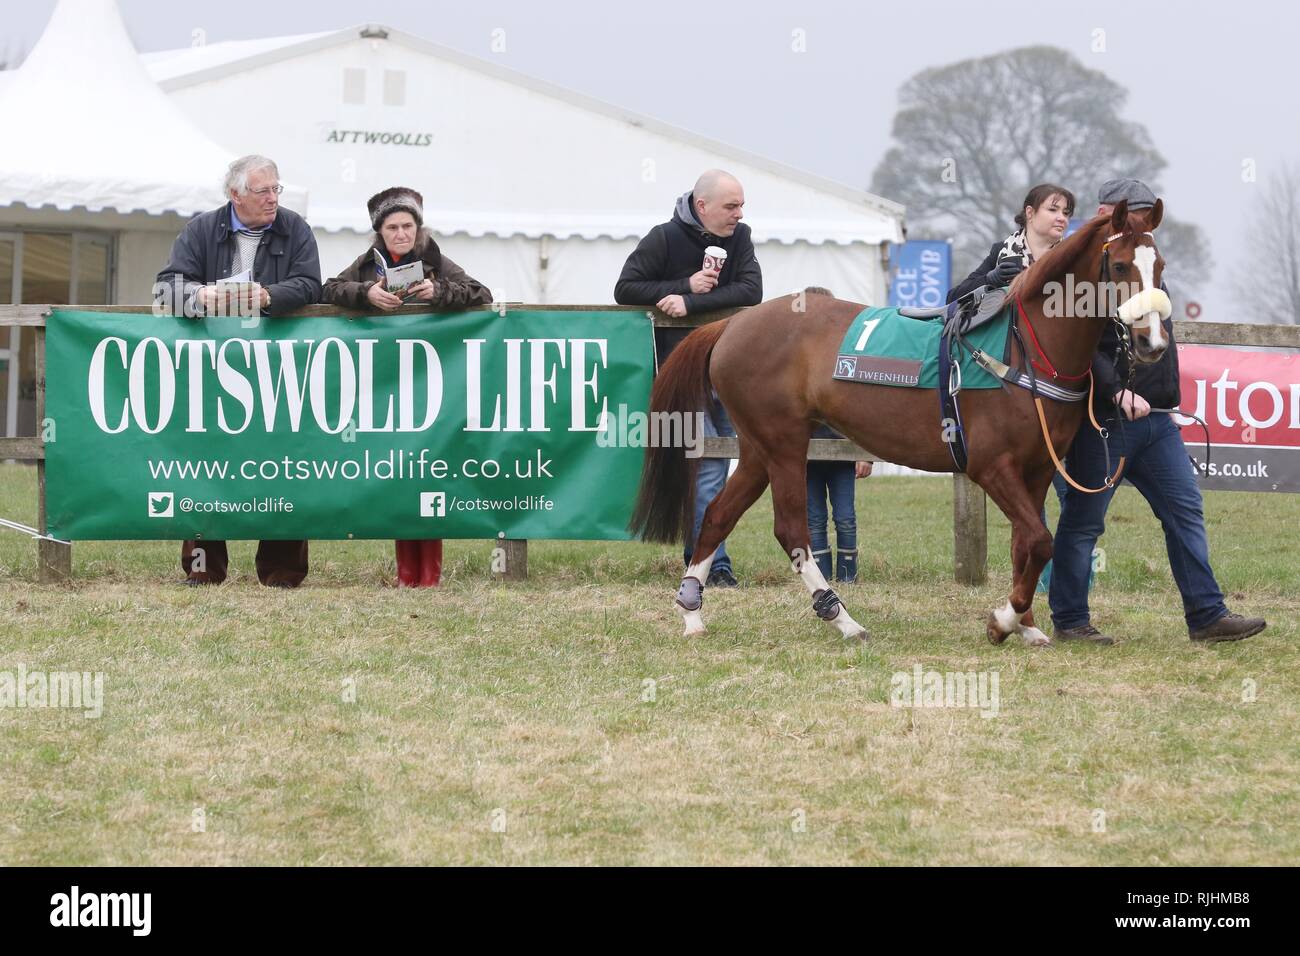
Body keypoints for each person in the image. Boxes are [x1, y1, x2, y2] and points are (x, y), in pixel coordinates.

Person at [1049, 179, 1266, 645]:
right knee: (1084, 521)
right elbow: (1075, 349)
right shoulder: (1085, 277)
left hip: (1158, 420)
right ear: (1110, 213)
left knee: (1184, 510)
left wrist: (1165, 399)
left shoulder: (1146, 265)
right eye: (1131, 216)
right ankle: (1069, 619)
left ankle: (1207, 616)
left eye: (1145, 218)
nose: (1138, 225)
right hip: (1104, 422)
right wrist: (1114, 393)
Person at [155, 155, 322, 588]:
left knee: (284, 461)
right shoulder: (201, 229)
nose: (273, 199)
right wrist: (198, 296)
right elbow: (166, 285)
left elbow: (309, 284)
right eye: (263, 191)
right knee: (205, 463)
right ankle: (203, 570)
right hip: (212, 367)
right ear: (235, 195)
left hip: (278, 367)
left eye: (276, 189)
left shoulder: (295, 228)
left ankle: (283, 571)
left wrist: (266, 296)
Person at [322, 187, 493, 587]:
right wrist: (366, 294)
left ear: (419, 228)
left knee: (427, 471)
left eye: (408, 226)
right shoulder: (366, 264)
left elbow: (480, 292)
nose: (401, 234)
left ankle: (429, 574)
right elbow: (328, 289)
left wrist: (440, 292)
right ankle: (405, 574)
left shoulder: (434, 259)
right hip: (383, 381)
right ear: (379, 232)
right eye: (392, 227)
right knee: (398, 471)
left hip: (431, 381)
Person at [614, 169, 763, 587]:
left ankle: (700, 558)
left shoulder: (741, 236)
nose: (739, 214)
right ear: (702, 206)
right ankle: (712, 565)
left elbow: (752, 290)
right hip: (682, 373)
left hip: (731, 371)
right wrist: (682, 285)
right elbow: (625, 288)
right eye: (731, 206)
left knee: (726, 460)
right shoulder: (663, 237)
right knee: (708, 467)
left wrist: (692, 299)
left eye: (741, 206)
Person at [947, 183, 1075, 303]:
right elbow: (953, 298)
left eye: (1066, 213)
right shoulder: (1001, 251)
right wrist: (990, 280)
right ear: (1030, 212)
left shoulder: (1073, 256)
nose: (1062, 218)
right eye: (1053, 210)